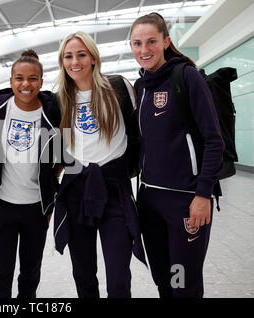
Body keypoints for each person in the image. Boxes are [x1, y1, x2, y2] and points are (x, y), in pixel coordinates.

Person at [129, 12, 224, 298]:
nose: (144, 50)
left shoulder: (187, 77)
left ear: (166, 41)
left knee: (183, 283)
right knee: (162, 278)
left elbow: (213, 140)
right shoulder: (140, 87)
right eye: (136, 43)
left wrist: (203, 194)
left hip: (186, 201)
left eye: (151, 42)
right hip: (149, 201)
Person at [52, 31, 146, 298]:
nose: (75, 61)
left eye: (81, 54)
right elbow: (60, 148)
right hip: (76, 191)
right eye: (68, 56)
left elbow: (139, 132)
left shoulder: (119, 87)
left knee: (118, 276)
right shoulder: (60, 99)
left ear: (93, 58)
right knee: (83, 274)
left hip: (113, 190)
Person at [0, 50, 60, 298]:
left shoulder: (52, 113)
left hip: (36, 209)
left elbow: (63, 159)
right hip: (1, 206)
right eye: (19, 78)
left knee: (30, 273)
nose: (25, 84)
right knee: (1, 272)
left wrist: (49, 193)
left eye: (32, 78)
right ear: (11, 81)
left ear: (41, 82)